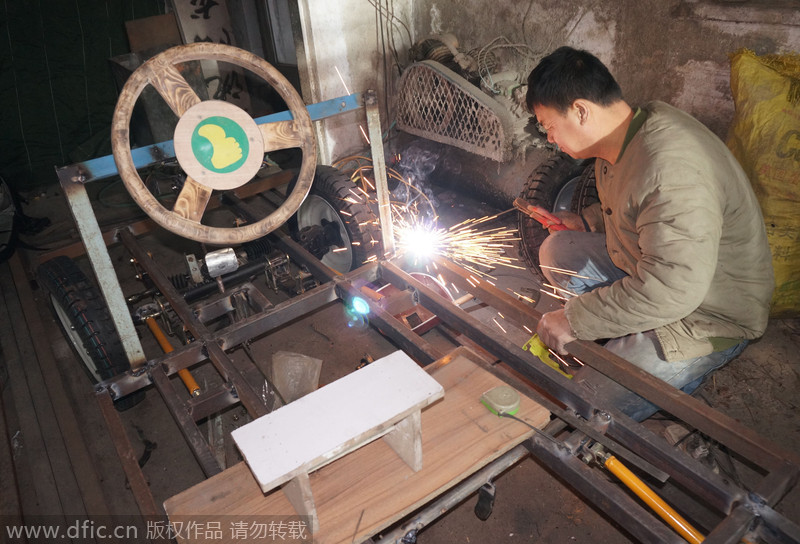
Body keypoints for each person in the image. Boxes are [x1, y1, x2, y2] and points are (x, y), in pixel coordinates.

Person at [526, 46, 775, 421]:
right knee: (559, 251)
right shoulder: (631, 131)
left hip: (709, 309)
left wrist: (576, 319)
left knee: (586, 401)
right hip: (655, 269)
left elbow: (672, 289)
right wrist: (587, 221)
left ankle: (668, 365)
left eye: (548, 126)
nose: (549, 138)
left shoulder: (669, 165)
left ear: (580, 110)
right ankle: (624, 331)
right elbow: (637, 202)